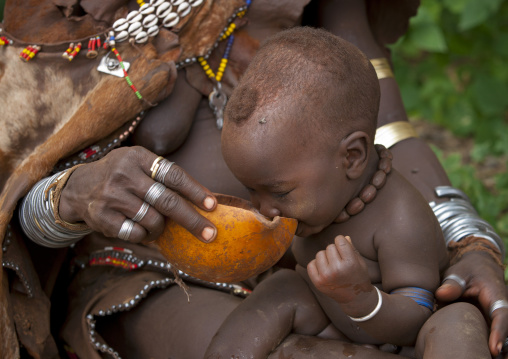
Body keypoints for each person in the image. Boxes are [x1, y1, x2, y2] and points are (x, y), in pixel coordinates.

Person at [0, 0, 506, 358]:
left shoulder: (367, 210)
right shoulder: (53, 18)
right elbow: (11, 194)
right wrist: (69, 196)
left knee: (457, 326)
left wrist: (470, 242)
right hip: (147, 269)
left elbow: (387, 133)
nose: (262, 204)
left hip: (328, 268)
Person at [203, 26, 490, 359]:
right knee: (282, 289)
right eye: (251, 191)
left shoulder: (400, 218)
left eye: (278, 192)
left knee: (459, 320)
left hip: (404, 340)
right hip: (331, 322)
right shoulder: (313, 207)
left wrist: (361, 297)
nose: (264, 209)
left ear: (351, 157)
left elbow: (418, 316)